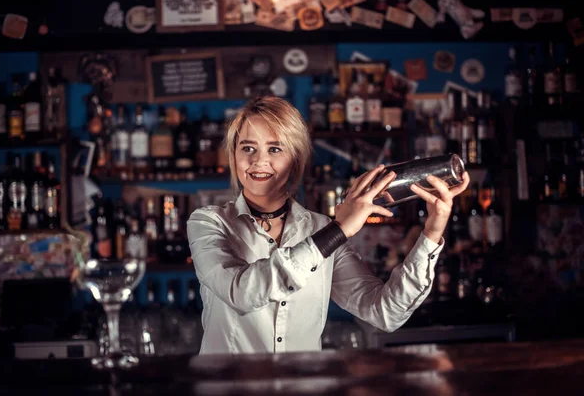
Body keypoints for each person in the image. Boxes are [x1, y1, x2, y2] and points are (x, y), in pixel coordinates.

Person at [186, 96, 470, 354]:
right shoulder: (208, 222)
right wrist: (339, 229)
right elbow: (241, 293)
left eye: (275, 149)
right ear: (234, 156)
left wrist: (432, 232)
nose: (259, 161)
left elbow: (385, 313)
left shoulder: (319, 228)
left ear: (295, 160)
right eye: (247, 147)